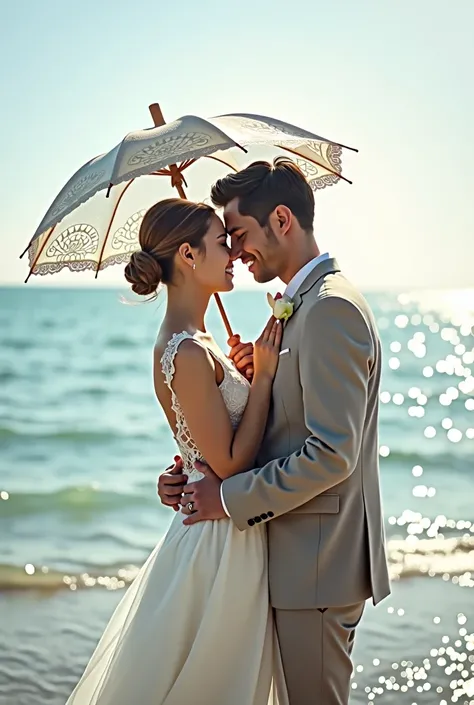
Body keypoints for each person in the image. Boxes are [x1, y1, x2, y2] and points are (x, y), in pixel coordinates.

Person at [158, 158, 391, 705]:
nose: (236, 251)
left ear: (281, 220)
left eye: (238, 234)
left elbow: (332, 454)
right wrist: (247, 389)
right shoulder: (305, 306)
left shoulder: (329, 310)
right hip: (293, 560)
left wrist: (226, 498)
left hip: (315, 567)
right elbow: (287, 425)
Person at [65, 198, 289, 705]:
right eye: (220, 243)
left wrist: (244, 374)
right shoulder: (185, 351)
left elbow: (201, 446)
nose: (233, 252)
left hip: (224, 527)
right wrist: (265, 380)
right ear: (188, 256)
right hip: (216, 542)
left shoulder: (199, 342)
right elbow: (230, 464)